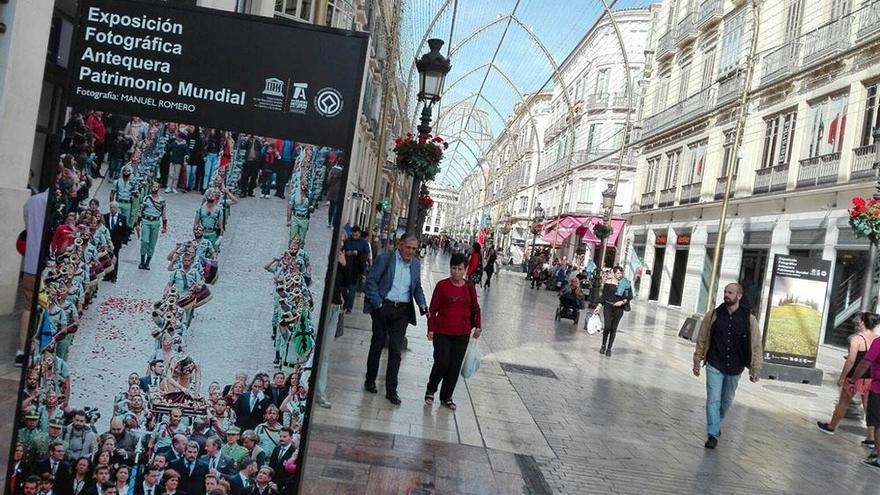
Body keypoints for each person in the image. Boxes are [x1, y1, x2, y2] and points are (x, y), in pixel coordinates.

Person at [692, 283, 763, 449]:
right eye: (725, 292)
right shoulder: (713, 315)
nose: (726, 295)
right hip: (714, 363)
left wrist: (756, 368)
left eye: (730, 292)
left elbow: (756, 346)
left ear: (739, 296)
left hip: (735, 367)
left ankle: (715, 424)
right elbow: (702, 339)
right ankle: (713, 434)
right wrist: (697, 361)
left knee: (726, 402)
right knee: (713, 401)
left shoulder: (749, 320)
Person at [362, 234, 427, 405]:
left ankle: (391, 390)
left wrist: (422, 304)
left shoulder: (415, 265)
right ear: (400, 245)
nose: (411, 252)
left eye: (414, 249)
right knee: (377, 344)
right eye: (408, 247)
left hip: (402, 311)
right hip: (384, 307)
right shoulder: (386, 259)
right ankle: (370, 380)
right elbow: (371, 281)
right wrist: (378, 304)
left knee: (396, 351)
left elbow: (417, 287)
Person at [424, 253, 481, 411]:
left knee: (454, 367)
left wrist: (478, 326)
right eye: (453, 268)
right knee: (442, 362)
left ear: (465, 270)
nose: (456, 272)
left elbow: (475, 308)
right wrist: (431, 328)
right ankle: (431, 389)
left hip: (462, 333)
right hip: (442, 331)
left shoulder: (469, 287)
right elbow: (433, 308)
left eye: (460, 269)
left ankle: (446, 397)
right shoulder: (442, 285)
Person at [817, 312, 878, 447]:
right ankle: (871, 437)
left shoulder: (856, 339)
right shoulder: (876, 339)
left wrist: (842, 377)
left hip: (854, 376)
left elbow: (851, 361)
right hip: (869, 378)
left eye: (859, 320)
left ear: (862, 323)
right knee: (868, 408)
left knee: (843, 403)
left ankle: (831, 426)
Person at [19, 189, 48, 366]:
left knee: (27, 308)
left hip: (29, 263)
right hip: (38, 264)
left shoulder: (32, 202)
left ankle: (22, 351)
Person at [847, 320, 880, 468]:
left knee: (878, 424)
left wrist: (853, 380)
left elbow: (865, 363)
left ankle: (879, 457)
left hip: (878, 389)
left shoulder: (878, 342)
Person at [593, 266, 632, 357]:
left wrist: (622, 302)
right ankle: (603, 345)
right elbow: (604, 296)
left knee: (613, 329)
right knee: (607, 326)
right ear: (614, 273)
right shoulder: (608, 282)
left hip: (619, 308)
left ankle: (609, 348)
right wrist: (599, 306)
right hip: (608, 306)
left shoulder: (626, 283)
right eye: (618, 273)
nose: (620, 275)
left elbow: (630, 296)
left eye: (621, 273)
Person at [135, 183, 168, 270]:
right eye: (153, 186)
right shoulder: (146, 198)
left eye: (156, 187)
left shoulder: (162, 201)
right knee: (144, 241)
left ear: (158, 188)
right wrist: (137, 223)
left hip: (155, 222)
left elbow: (164, 213)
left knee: (152, 243)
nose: (155, 188)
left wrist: (165, 226)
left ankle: (147, 262)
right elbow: (140, 211)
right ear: (151, 188)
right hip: (146, 221)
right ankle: (142, 261)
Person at [342, 226, 371, 313]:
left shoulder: (364, 243)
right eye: (353, 234)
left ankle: (349, 307)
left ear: (359, 234)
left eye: (356, 234)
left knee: (352, 288)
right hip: (346, 266)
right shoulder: (347, 241)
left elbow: (366, 254)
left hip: (357, 267)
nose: (354, 236)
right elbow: (342, 250)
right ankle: (347, 302)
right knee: (342, 287)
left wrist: (358, 253)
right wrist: (348, 253)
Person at [103, 202, 127, 283]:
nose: (112, 209)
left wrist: (124, 241)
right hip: (107, 241)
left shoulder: (122, 218)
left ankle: (114, 275)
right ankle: (107, 275)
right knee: (106, 258)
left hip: (116, 241)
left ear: (117, 208)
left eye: (114, 207)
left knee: (115, 258)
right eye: (111, 207)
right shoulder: (105, 217)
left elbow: (125, 230)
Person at [323, 153, 343, 228]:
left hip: (332, 191)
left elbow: (328, 180)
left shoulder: (333, 170)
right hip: (339, 192)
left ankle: (329, 222)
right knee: (336, 208)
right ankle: (334, 224)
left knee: (331, 207)